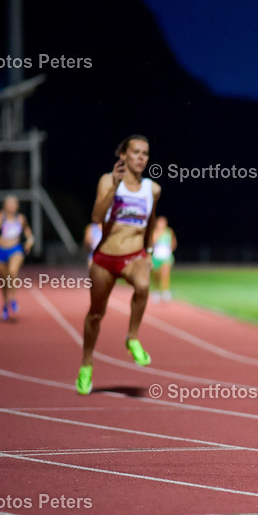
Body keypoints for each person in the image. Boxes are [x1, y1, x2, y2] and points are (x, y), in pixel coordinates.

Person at [77, 135, 160, 395]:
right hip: (104, 259)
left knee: (144, 284)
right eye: (135, 152)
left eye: (145, 153)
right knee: (96, 314)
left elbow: (151, 222)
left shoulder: (152, 189)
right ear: (123, 155)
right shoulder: (108, 180)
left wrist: (147, 252)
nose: (140, 157)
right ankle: (86, 364)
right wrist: (113, 187)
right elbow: (96, 217)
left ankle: (132, 337)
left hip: (133, 256)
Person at [0, 194, 34, 320]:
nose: (11, 206)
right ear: (5, 205)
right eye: (9, 203)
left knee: (12, 272)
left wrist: (29, 242)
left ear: (17, 206)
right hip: (0, 251)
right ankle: (5, 303)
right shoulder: (0, 217)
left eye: (14, 203)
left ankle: (13, 298)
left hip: (15, 249)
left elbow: (29, 234)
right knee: (3, 281)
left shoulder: (21, 219)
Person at [150, 215, 177, 301]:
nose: (161, 224)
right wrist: (159, 234)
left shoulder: (169, 231)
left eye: (163, 222)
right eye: (160, 222)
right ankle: (156, 291)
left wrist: (171, 249)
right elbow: (152, 243)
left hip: (166, 257)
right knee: (156, 275)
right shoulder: (155, 232)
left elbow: (173, 242)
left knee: (165, 274)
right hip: (157, 257)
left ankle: (165, 291)